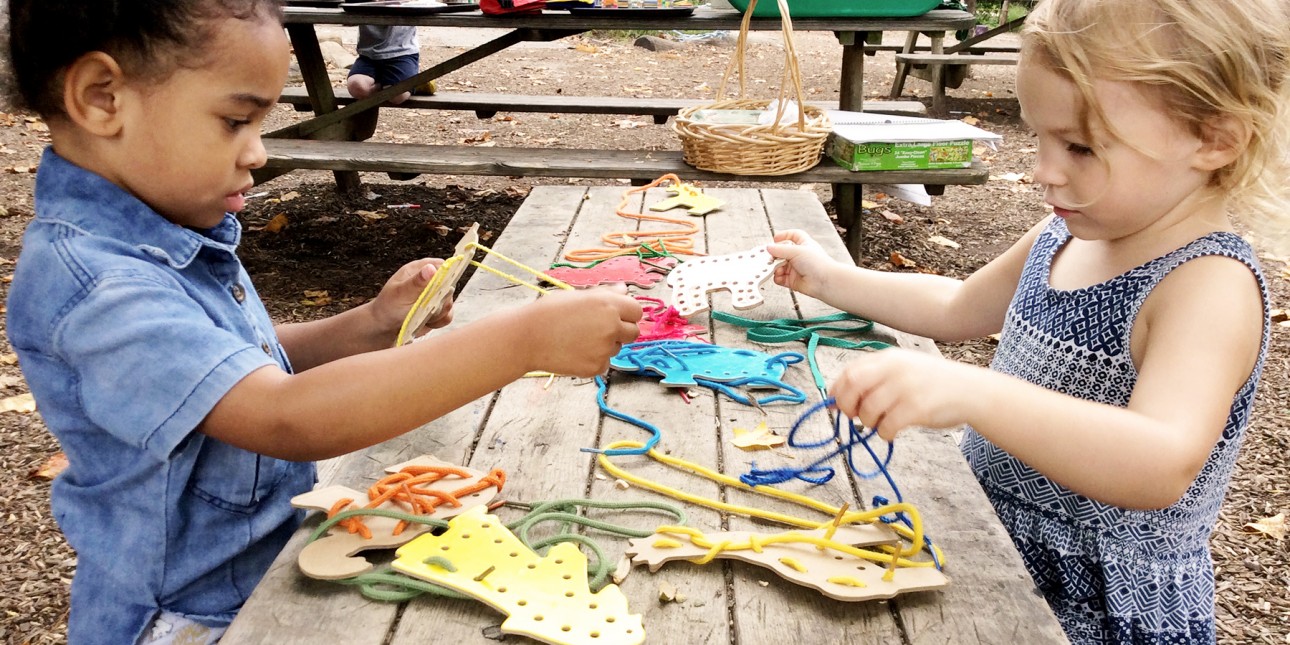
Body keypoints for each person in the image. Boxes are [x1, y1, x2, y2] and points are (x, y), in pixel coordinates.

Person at [3, 2, 642, 643]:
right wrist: (521, 340)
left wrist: (369, 324)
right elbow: (282, 416)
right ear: (101, 97)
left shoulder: (162, 229)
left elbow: (236, 364)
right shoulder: (99, 285)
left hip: (264, 577)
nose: (257, 152)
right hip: (190, 622)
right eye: (234, 121)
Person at [767, 0, 1288, 642]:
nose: (1042, 171)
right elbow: (958, 308)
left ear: (1215, 139)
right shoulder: (1063, 234)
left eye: (1080, 146)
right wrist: (830, 279)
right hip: (990, 544)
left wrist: (975, 393)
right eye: (1038, 136)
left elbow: (1161, 461)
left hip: (1098, 606)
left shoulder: (1206, 284)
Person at [347, 25, 434, 105]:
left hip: (402, 52)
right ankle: (407, 83)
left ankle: (412, 84)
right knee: (357, 88)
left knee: (397, 96)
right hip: (368, 54)